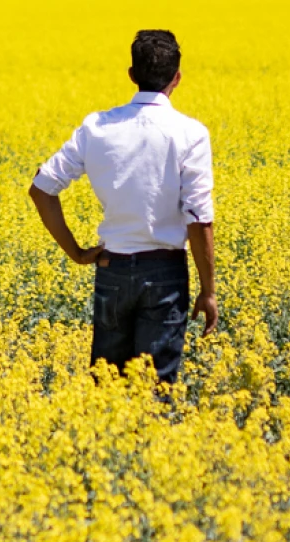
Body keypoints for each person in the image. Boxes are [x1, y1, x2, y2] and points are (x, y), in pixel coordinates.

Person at [28, 30, 218, 385]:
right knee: (157, 389)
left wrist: (76, 252)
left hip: (111, 269)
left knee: (107, 387)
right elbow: (199, 218)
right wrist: (208, 291)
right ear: (177, 77)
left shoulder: (96, 127)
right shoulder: (191, 133)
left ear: (131, 74)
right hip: (165, 273)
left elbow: (41, 188)